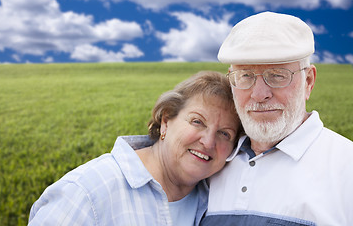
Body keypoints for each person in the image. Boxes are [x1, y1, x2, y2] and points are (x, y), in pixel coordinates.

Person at [28, 71, 242, 226]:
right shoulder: (85, 193)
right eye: (197, 121)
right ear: (166, 121)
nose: (208, 141)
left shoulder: (215, 200)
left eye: (225, 133)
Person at [201, 12, 353, 225]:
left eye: (277, 75)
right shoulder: (209, 162)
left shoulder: (347, 167)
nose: (259, 94)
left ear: (308, 81)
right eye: (245, 76)